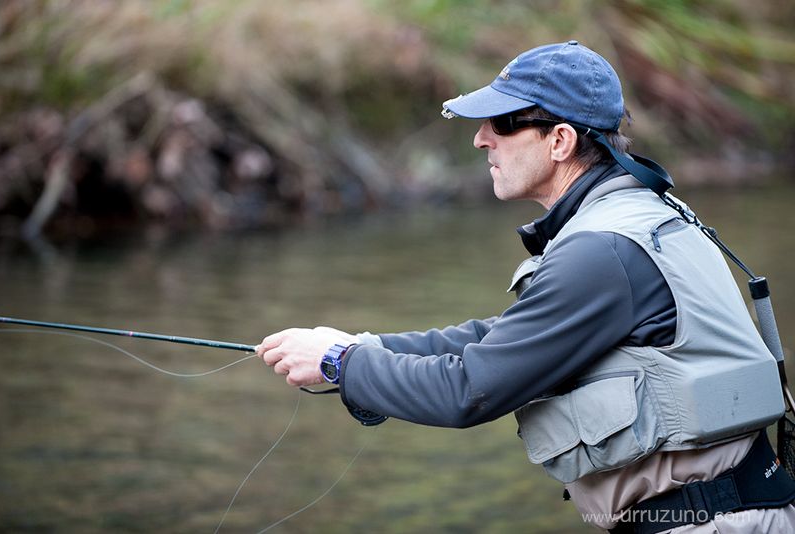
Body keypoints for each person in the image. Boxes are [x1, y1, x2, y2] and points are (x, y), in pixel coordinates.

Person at [256, 41, 795, 532]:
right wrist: (362, 346)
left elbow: (470, 389)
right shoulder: (638, 215)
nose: (480, 138)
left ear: (560, 140)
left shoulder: (602, 249)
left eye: (503, 123)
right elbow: (508, 337)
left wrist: (340, 366)